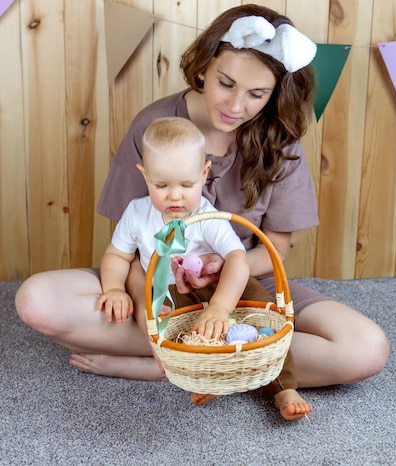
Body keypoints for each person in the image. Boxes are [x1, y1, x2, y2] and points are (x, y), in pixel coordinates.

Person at [15, 3, 389, 410]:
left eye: (257, 94)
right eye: (225, 83)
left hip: (243, 288)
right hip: (156, 279)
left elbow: (276, 250)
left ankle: (171, 363)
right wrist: (145, 308)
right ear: (205, 65)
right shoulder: (153, 126)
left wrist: (223, 271)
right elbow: (131, 247)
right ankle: (216, 358)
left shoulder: (280, 138)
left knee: (366, 349)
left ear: (275, 92)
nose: (235, 106)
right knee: (37, 300)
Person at [98, 116, 311, 420]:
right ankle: (210, 377)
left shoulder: (206, 215)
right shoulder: (136, 213)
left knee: (261, 308)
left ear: (204, 173)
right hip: (170, 293)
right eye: (161, 185)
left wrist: (221, 307)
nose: (175, 196)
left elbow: (237, 257)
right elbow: (117, 256)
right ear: (145, 176)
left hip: (215, 283)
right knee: (175, 334)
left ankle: (283, 387)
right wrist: (115, 288)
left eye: (187, 184)